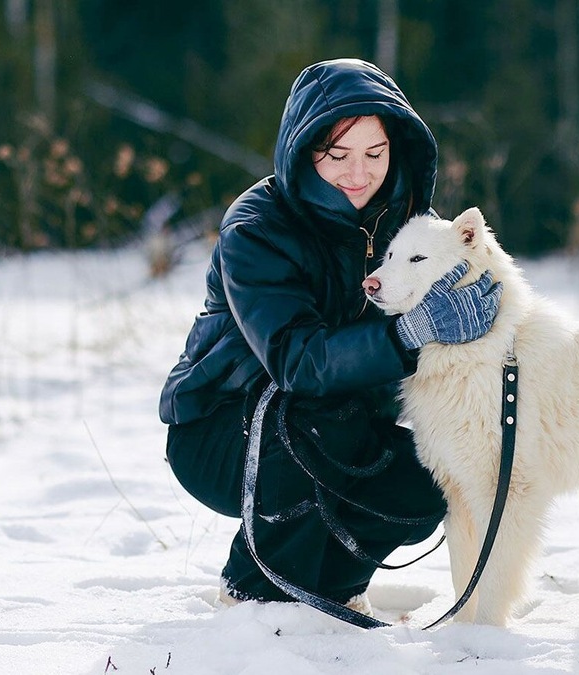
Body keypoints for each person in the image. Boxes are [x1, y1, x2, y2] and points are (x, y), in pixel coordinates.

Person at [159, 58, 502, 611]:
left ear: (398, 147)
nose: (358, 173)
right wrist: (412, 333)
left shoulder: (415, 227)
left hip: (340, 423)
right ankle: (255, 594)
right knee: (323, 426)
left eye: (374, 152)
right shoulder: (258, 228)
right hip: (223, 431)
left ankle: (332, 593)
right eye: (337, 155)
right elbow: (299, 363)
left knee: (420, 485)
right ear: (303, 148)